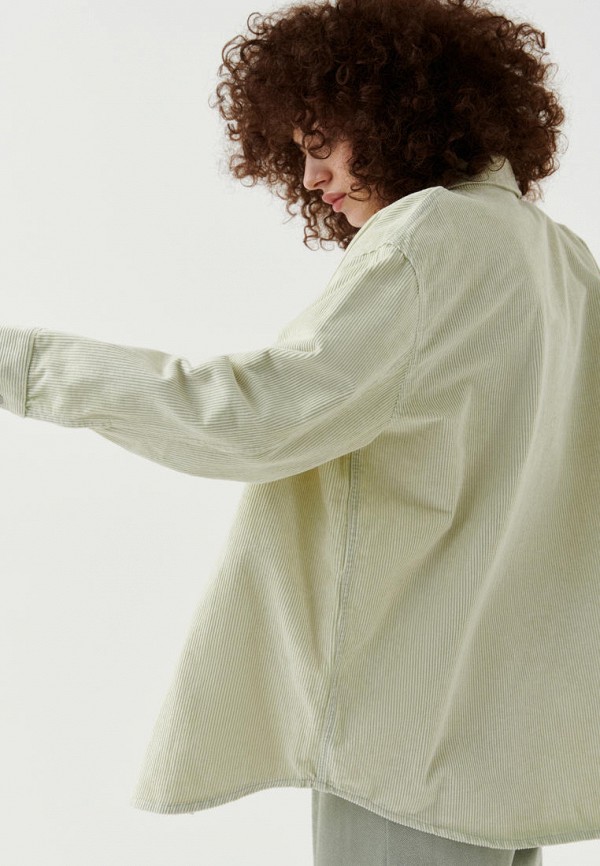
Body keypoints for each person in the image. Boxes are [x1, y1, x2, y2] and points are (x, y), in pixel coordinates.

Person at [1, 0, 599, 863]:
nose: (312, 179)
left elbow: (256, 418)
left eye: (322, 143)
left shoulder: (427, 240)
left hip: (402, 739)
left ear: (396, 114)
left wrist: (25, 365)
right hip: (506, 752)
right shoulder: (563, 259)